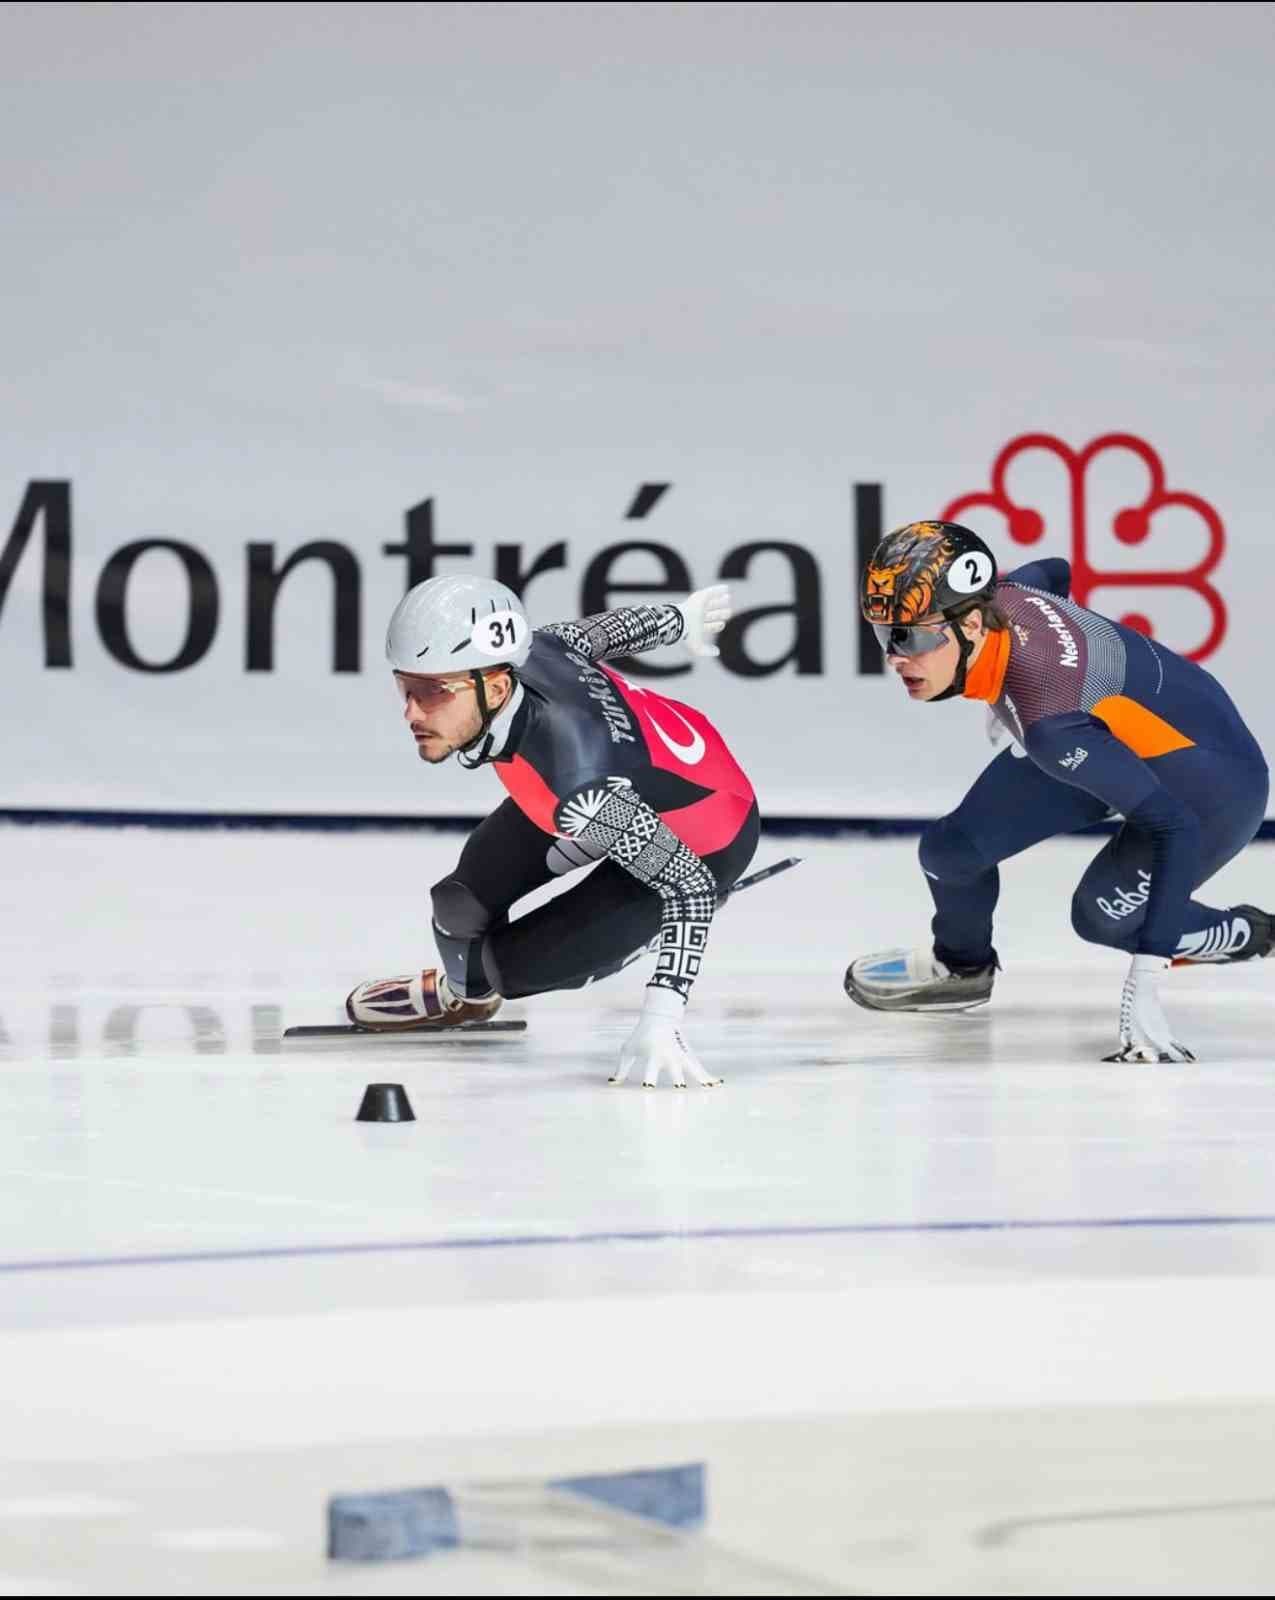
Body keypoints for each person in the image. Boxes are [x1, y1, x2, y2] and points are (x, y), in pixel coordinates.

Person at [845, 520, 1272, 1062]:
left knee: (1102, 917)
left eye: (912, 636)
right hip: (1110, 736)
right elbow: (1055, 571)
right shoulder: (1008, 594)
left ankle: (1243, 932)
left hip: (1212, 783)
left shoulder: (1050, 722)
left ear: (972, 623)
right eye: (886, 634)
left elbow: (1176, 826)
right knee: (951, 852)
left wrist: (1144, 982)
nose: (895, 657)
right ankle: (962, 969)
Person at [346, 575, 759, 1087]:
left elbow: (689, 885)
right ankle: (466, 997)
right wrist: (681, 619)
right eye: (405, 687)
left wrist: (662, 1017)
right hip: (624, 782)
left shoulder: (578, 788)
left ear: (497, 688)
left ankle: (650, 930)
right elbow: (602, 632)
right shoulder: (535, 649)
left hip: (707, 838)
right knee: (458, 903)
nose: (411, 711)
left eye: (433, 692)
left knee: (510, 969)